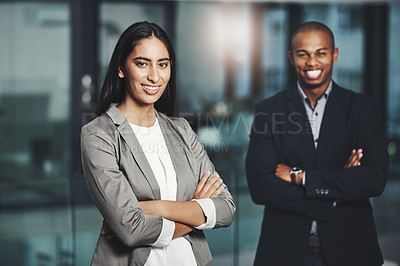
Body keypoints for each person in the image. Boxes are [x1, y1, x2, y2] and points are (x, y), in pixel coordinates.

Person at [80, 21, 235, 266]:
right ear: (121, 68)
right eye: (142, 63)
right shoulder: (98, 134)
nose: (155, 76)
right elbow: (132, 230)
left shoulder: (181, 130)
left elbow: (226, 209)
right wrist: (195, 209)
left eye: (163, 64)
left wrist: (153, 207)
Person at [246, 21, 388, 266]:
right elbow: (260, 186)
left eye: (321, 53)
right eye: (303, 54)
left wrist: (301, 177)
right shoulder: (269, 111)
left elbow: (374, 179)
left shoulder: (362, 109)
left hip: (352, 250)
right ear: (291, 57)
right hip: (284, 252)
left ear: (334, 54)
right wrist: (336, 192)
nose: (312, 63)